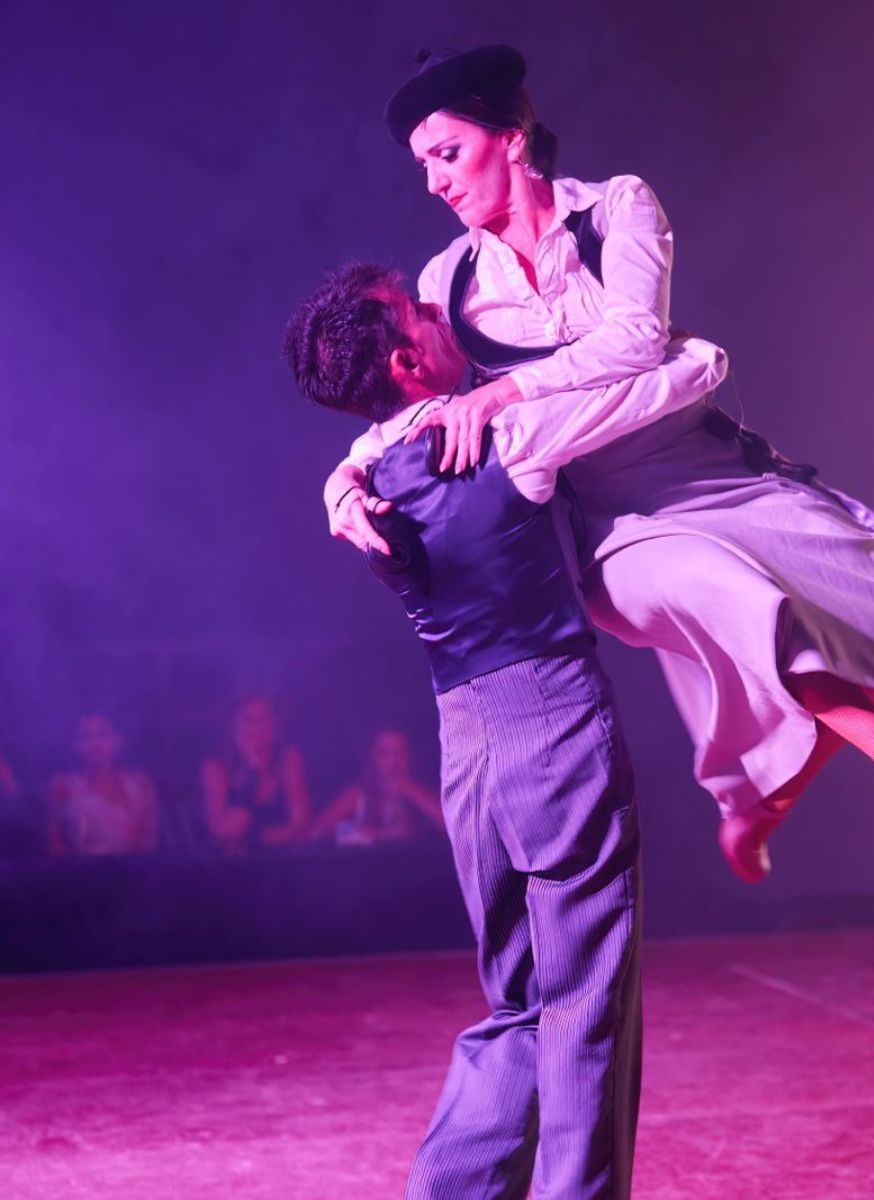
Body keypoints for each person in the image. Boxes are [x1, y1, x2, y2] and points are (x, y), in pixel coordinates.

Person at [322, 45, 874, 882]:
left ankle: (760, 803)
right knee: (728, 593)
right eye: (421, 165)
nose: (433, 183)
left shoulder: (616, 210)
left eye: (446, 154)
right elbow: (416, 410)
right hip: (607, 526)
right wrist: (343, 482)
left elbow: (637, 338)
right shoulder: (448, 280)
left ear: (510, 138)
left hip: (706, 471)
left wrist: (504, 395)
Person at [285, 262, 725, 1198]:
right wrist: (531, 379)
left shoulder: (367, 481)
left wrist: (340, 482)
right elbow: (695, 367)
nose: (441, 309)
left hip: (465, 745)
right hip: (551, 726)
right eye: (417, 310)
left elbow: (355, 461)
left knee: (521, 1004)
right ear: (408, 360)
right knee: (587, 1005)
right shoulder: (509, 433)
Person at [200, 695, 311, 852]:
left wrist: (251, 838)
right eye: (248, 720)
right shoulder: (215, 767)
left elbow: (300, 825)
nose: (257, 727)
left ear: (275, 724)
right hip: (232, 866)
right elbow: (225, 832)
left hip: (284, 858)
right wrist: (252, 773)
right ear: (233, 726)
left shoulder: (288, 758)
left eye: (264, 718)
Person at [47, 713, 158, 856]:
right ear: (76, 746)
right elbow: (56, 843)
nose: (95, 744)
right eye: (85, 736)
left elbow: (148, 841)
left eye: (102, 734)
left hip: (135, 872)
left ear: (117, 740)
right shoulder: (64, 787)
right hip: (83, 873)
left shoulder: (140, 784)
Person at [308, 728, 443, 846]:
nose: (393, 762)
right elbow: (316, 833)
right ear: (373, 758)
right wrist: (358, 835)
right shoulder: (359, 794)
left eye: (400, 752)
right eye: (384, 753)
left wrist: (414, 793)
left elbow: (454, 830)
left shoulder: (425, 792)